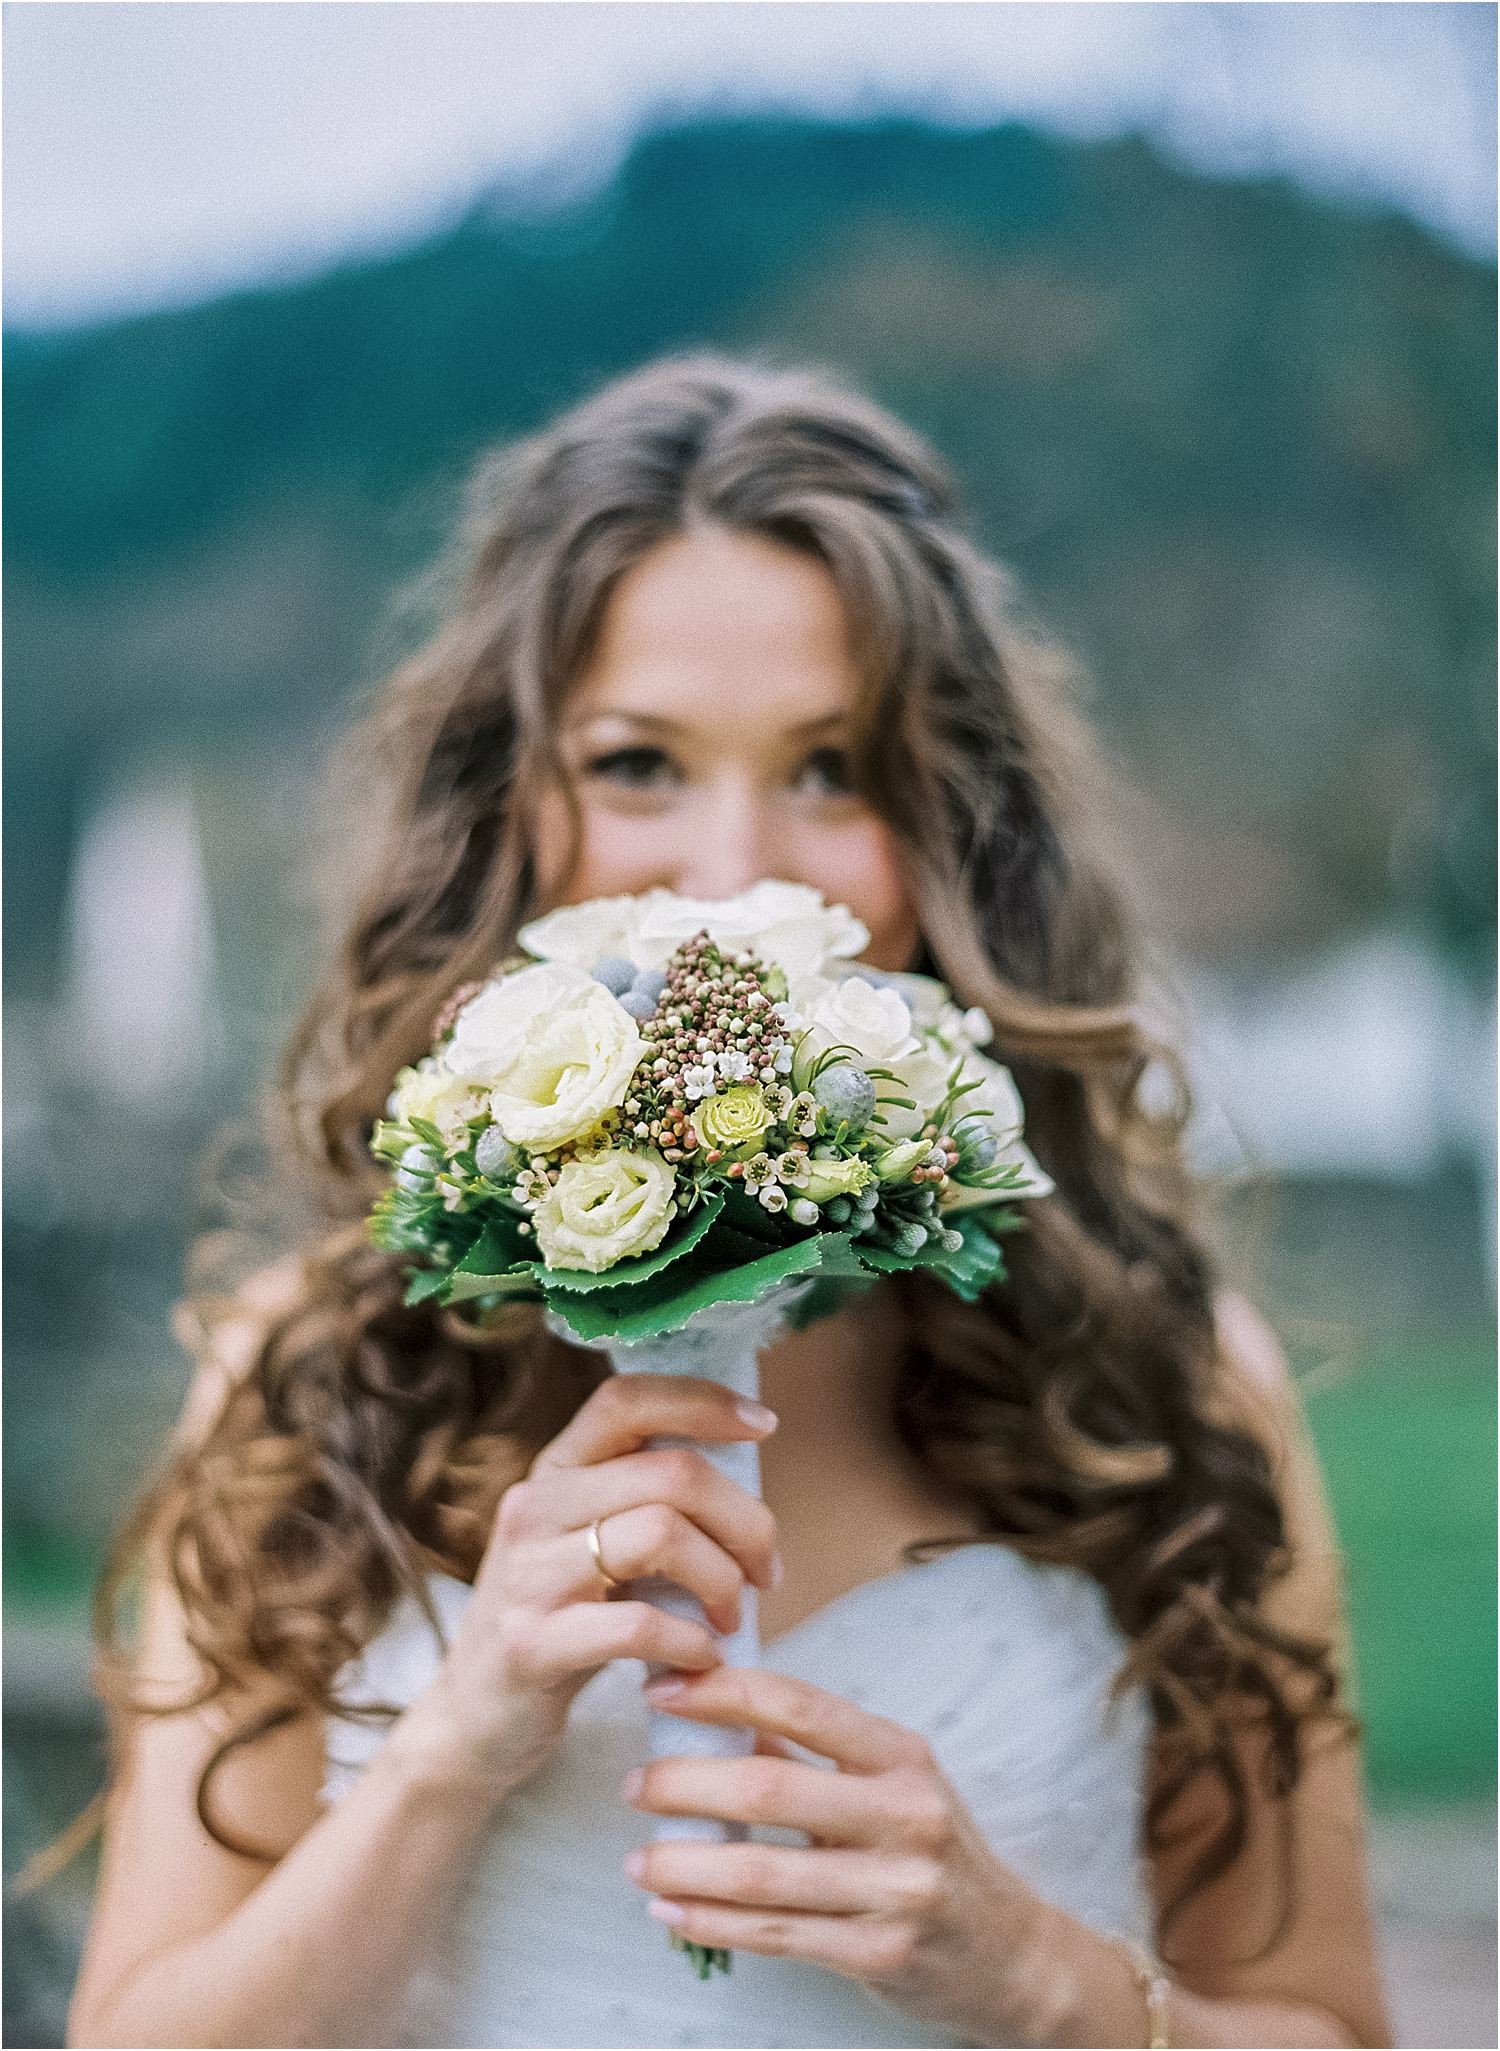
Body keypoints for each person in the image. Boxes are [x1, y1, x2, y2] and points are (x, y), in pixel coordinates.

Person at [66, 351, 1391, 2049]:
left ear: (951, 832)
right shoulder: (310, 1380)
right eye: (637, 764)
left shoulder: (1167, 1391)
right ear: (511, 816)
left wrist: (1035, 1978)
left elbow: (1333, 2029)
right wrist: (453, 1753)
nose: (729, 871)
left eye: (834, 769)